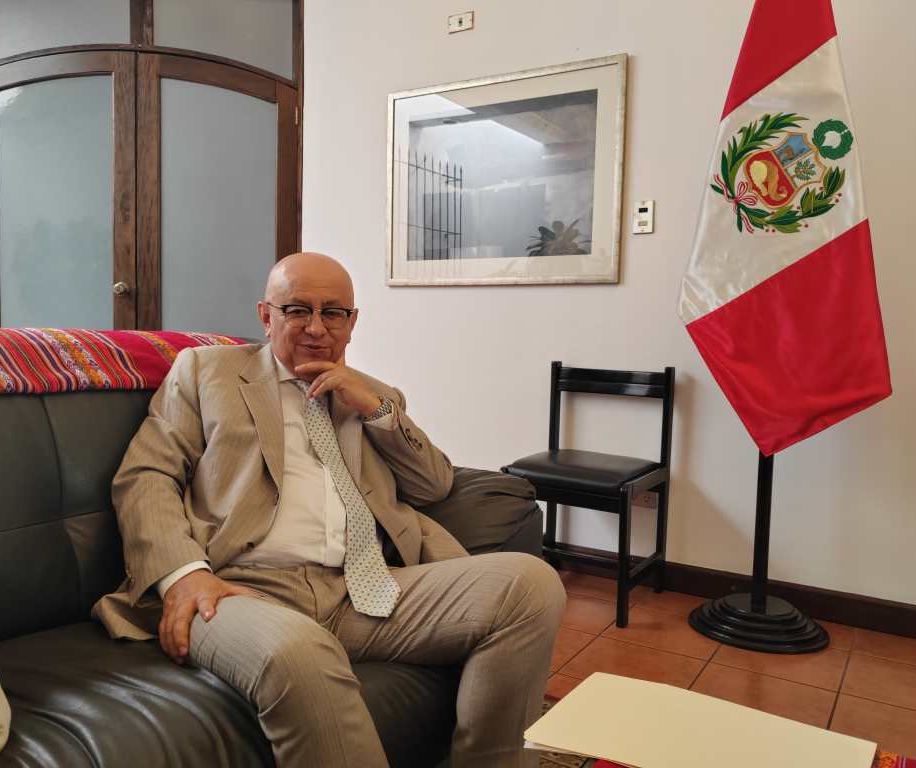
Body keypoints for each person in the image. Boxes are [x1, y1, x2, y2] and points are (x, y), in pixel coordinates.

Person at [93, 252, 566, 767]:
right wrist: (184, 575)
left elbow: (434, 484)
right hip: (239, 589)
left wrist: (376, 411)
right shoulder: (206, 372)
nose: (316, 328)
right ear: (266, 316)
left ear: (352, 322)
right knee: (299, 650)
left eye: (333, 313)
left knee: (531, 585)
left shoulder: (373, 394)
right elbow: (146, 476)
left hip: (361, 587)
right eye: (297, 310)